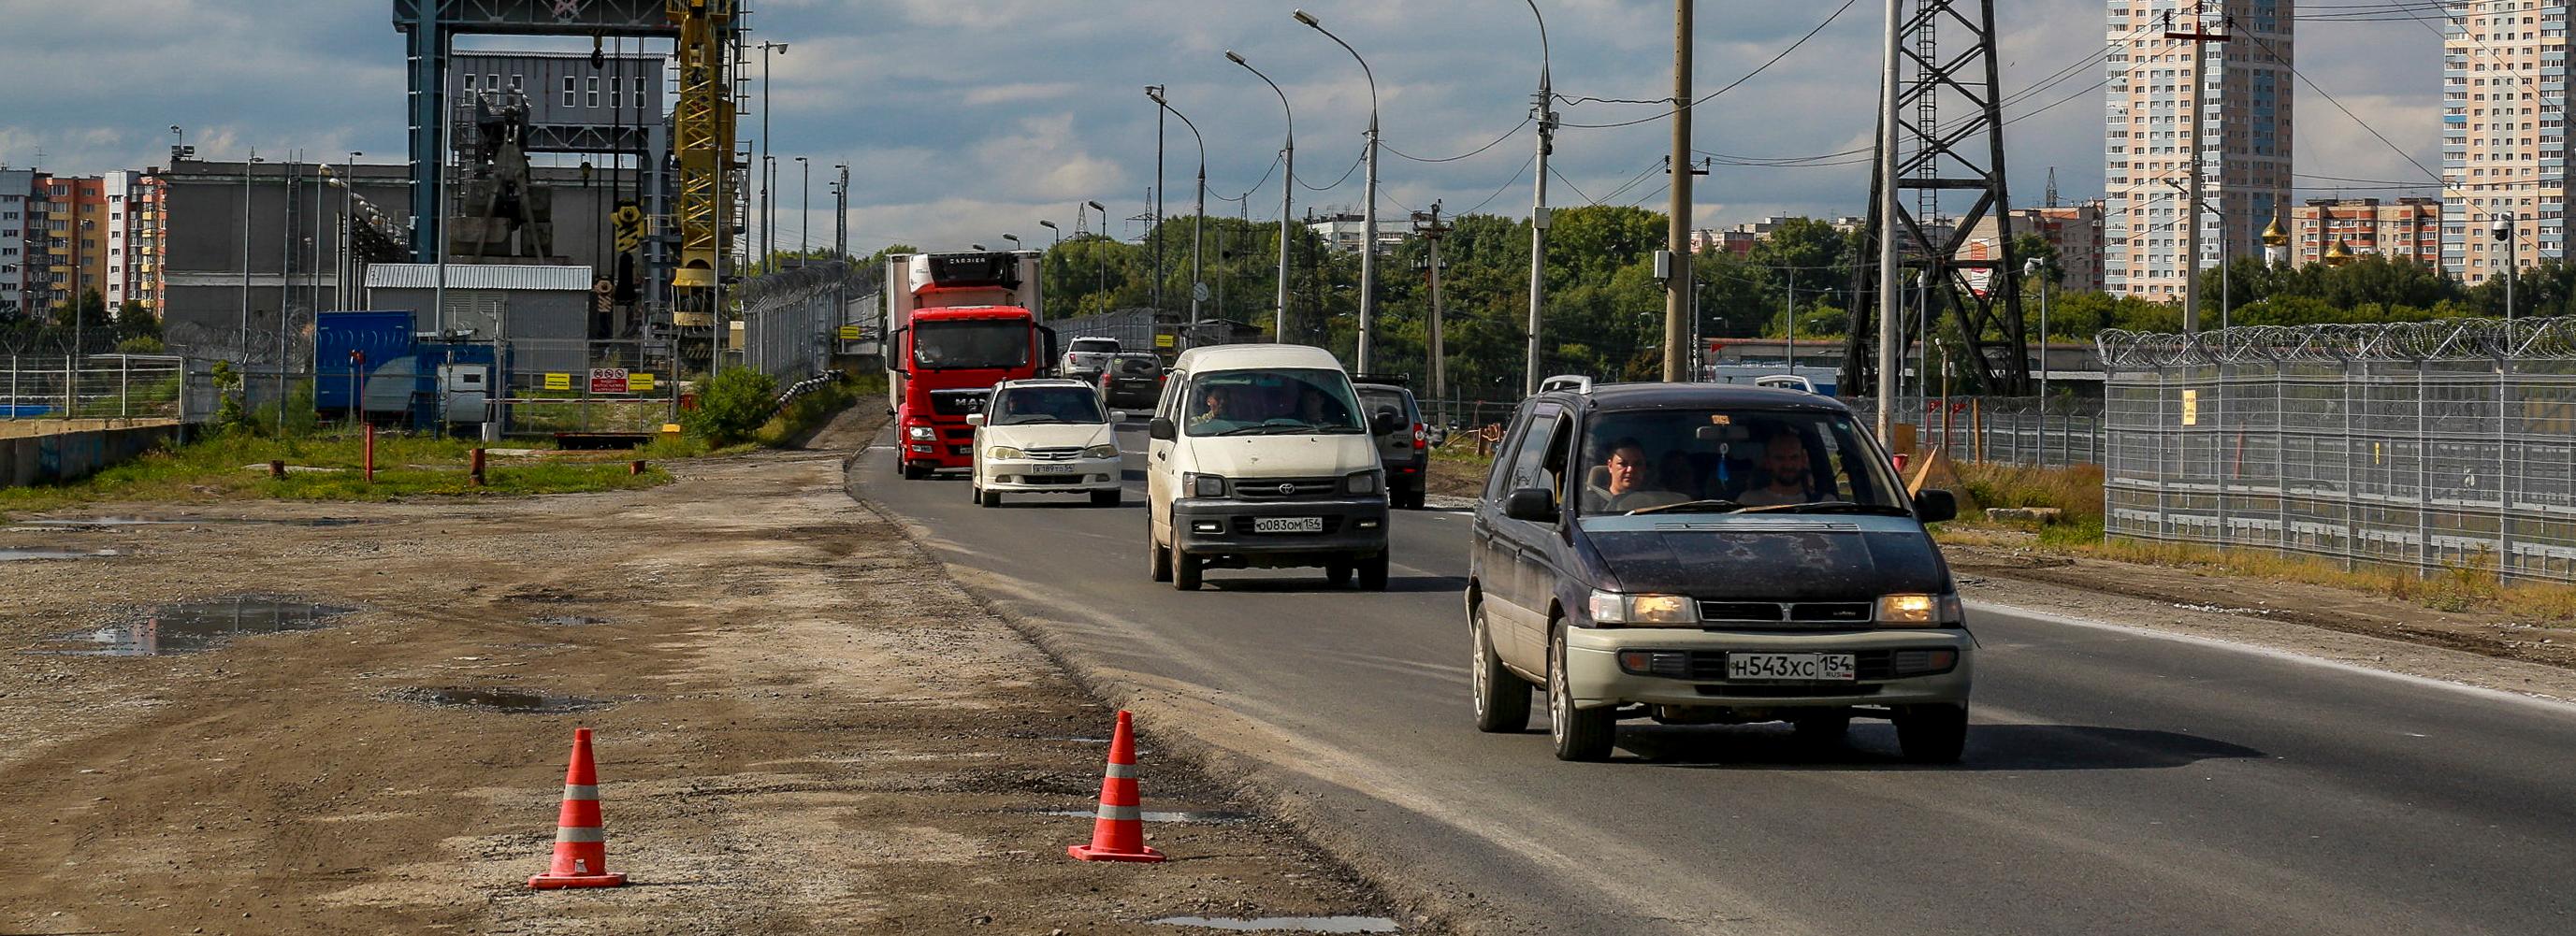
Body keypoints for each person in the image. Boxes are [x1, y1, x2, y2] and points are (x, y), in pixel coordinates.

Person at [1586, 438, 1690, 512]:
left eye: (1637, 464)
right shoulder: (1589, 504)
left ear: (1644, 468)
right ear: (1610, 466)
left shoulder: (1658, 502)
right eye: (1623, 464)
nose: (1630, 469)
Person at [1737, 431, 1820, 507]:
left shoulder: (1824, 503)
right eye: (1780, 458)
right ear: (1768, 462)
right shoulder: (1748, 502)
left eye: (1794, 457)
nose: (1788, 465)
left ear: (1804, 460)